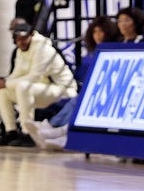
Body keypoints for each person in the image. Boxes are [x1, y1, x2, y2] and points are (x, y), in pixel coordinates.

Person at [0, 18, 77, 148]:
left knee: (23, 87)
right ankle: (10, 131)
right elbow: (17, 75)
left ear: (31, 35)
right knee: (2, 90)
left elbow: (34, 77)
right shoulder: (20, 50)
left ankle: (27, 134)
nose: (21, 41)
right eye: (18, 38)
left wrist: (5, 83)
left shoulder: (43, 49)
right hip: (42, 88)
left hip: (64, 90)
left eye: (24, 38)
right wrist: (2, 83)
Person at [33, 15, 118, 149]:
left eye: (101, 31)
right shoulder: (91, 54)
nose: (98, 35)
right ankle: (54, 129)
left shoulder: (113, 51)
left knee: (79, 100)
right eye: (95, 31)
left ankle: (58, 130)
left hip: (107, 94)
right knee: (75, 99)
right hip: (86, 91)